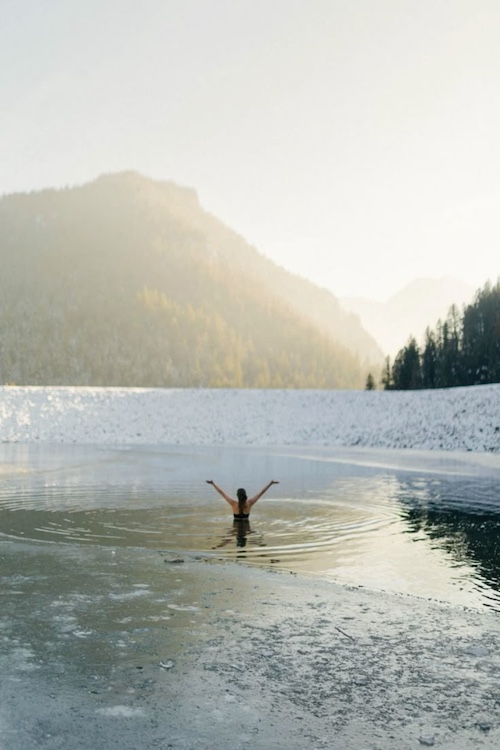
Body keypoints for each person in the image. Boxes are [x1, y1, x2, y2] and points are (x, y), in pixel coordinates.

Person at [206, 480, 279, 520]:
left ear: (237, 496)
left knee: (229, 538)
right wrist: (270, 483)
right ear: (245, 495)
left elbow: (222, 493)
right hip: (247, 529)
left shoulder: (233, 504)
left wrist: (213, 484)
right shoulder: (249, 503)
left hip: (235, 529)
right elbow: (261, 493)